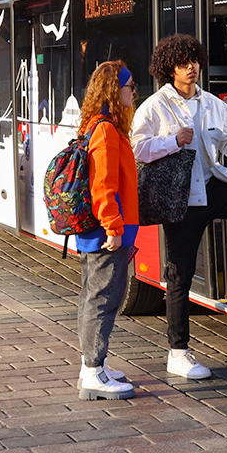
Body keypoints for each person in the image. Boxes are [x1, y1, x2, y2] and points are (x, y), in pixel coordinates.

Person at [132, 34, 227, 381]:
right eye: (182, 63)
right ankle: (178, 353)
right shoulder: (154, 107)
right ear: (170, 68)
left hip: (215, 187)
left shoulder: (213, 104)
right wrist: (172, 141)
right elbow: (137, 148)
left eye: (194, 60)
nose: (191, 67)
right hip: (182, 199)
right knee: (179, 273)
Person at [72, 61, 139, 400]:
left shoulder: (95, 126)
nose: (134, 92)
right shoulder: (106, 131)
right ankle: (93, 372)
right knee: (103, 300)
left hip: (97, 232)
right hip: (107, 232)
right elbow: (103, 186)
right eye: (130, 86)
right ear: (114, 91)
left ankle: (94, 365)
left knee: (93, 298)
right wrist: (114, 227)